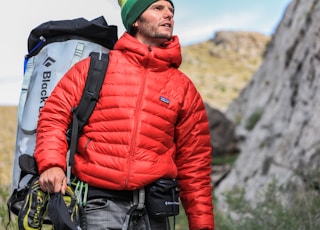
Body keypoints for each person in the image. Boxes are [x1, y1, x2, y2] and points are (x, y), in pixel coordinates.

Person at [34, 0, 214, 229]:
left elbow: (195, 164)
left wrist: (203, 225)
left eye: (171, 10)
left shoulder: (182, 87)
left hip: (154, 212)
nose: (168, 15)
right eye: (157, 8)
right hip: (99, 205)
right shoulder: (94, 68)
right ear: (136, 20)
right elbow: (53, 116)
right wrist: (52, 164)